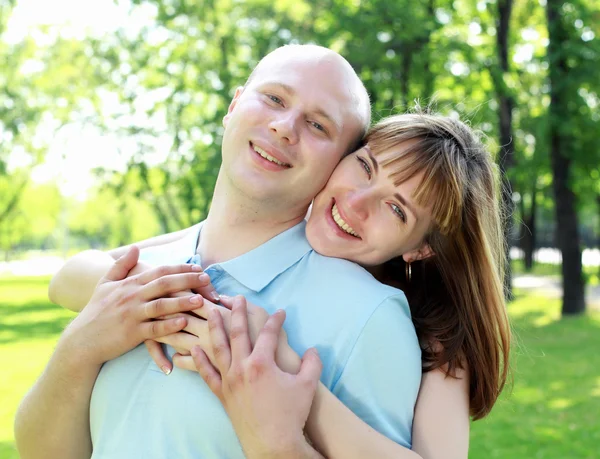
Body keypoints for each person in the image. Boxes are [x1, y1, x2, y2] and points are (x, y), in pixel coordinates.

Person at [16, 44, 425, 459]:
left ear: (338, 162)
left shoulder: (369, 315)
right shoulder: (136, 275)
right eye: (274, 98)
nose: (285, 127)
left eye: (318, 126)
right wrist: (79, 348)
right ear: (234, 106)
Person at [35, 107, 510, 459]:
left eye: (395, 208)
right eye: (365, 166)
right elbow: (73, 274)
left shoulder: (435, 340)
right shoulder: (262, 234)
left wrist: (279, 365)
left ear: (421, 249)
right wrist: (189, 312)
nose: (357, 201)